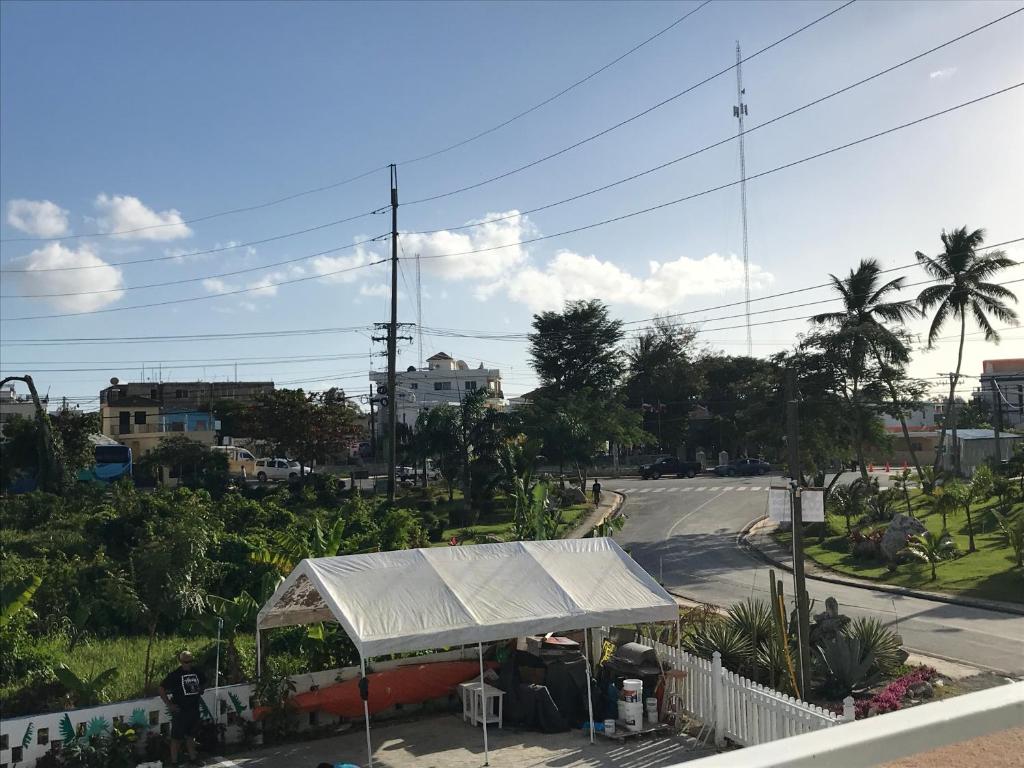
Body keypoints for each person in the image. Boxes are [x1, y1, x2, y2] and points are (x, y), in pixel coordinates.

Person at [159, 651, 206, 766]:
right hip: (180, 711)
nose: (188, 664)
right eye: (185, 662)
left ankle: (193, 758)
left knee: (191, 736)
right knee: (176, 738)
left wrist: (201, 689)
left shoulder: (196, 671)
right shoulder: (175, 675)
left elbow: (204, 681)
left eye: (190, 661)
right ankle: (174, 762)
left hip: (194, 709)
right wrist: (169, 704)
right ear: (180, 662)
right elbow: (161, 688)